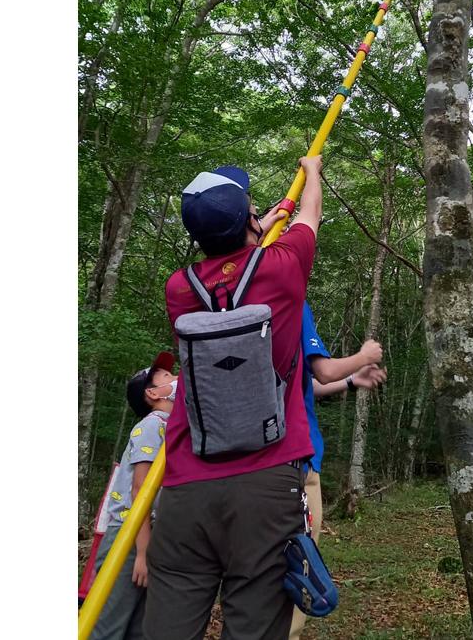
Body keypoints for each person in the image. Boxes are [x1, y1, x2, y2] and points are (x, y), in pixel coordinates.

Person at [144, 158, 323, 640]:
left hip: (186, 487)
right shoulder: (285, 267)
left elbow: (228, 267)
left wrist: (257, 223)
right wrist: (313, 171)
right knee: (255, 625)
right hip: (266, 483)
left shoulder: (179, 289)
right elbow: (309, 218)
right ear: (249, 219)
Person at [289, 301, 387, 640]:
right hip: (297, 464)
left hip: (253, 464)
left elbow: (306, 384)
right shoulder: (291, 299)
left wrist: (351, 381)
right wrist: (365, 355)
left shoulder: (225, 303)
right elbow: (323, 370)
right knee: (297, 562)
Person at [88, 351, 177, 640]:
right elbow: (140, 489)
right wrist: (141, 552)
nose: (175, 378)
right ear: (152, 393)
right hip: (128, 538)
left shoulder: (171, 427)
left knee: (140, 627)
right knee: (108, 626)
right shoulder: (152, 425)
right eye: (167, 376)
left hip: (147, 536)